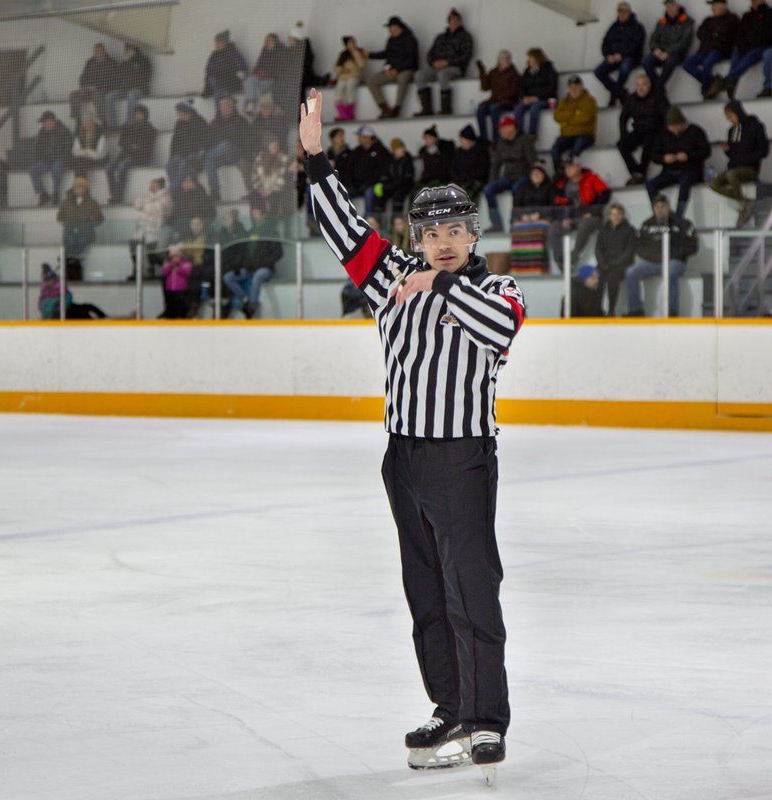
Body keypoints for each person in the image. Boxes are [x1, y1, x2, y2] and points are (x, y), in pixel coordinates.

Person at [301, 88, 521, 772]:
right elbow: (344, 231)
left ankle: (485, 720)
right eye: (431, 233)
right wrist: (315, 160)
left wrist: (440, 287)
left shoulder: (497, 290)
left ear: (473, 235)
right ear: (415, 239)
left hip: (462, 459)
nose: (443, 242)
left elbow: (497, 333)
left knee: (471, 588)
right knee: (425, 591)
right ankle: (449, 707)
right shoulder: (390, 279)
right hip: (403, 458)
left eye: (455, 230)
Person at [624, 193, 697, 316]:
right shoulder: (647, 224)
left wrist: (674, 255)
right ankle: (635, 310)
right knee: (631, 272)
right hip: (652, 262)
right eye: (657, 207)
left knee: (671, 272)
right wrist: (651, 255)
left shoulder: (682, 223)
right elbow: (639, 245)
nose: (660, 209)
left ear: (668, 207)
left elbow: (692, 246)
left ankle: (672, 311)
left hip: (673, 261)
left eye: (663, 206)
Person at [548, 155, 612, 271]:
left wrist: (592, 212)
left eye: (570, 167)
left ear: (578, 167)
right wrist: (564, 217)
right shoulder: (562, 184)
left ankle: (573, 257)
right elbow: (557, 203)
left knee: (585, 224)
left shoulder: (591, 178)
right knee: (553, 228)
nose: (567, 170)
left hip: (591, 216)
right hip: (571, 217)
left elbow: (605, 194)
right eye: (566, 168)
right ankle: (560, 261)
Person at [711, 100, 769, 226]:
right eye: (728, 118)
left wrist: (745, 158)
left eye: (731, 116)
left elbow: (764, 151)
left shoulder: (756, 127)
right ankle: (744, 201)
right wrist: (728, 150)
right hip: (733, 167)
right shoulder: (732, 131)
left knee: (731, 175)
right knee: (714, 184)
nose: (730, 120)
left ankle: (742, 206)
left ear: (738, 113)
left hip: (750, 168)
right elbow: (733, 154)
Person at [645, 105, 711, 216]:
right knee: (650, 185)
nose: (674, 130)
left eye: (676, 126)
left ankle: (679, 215)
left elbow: (706, 151)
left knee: (684, 183)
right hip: (669, 171)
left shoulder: (695, 131)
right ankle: (660, 212)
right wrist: (663, 158)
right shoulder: (663, 134)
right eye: (671, 127)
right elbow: (654, 154)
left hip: (690, 170)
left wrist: (688, 156)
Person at [224, 205, 284, 318]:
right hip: (250, 268)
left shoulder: (271, 231)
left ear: (263, 215)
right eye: (253, 213)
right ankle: (245, 300)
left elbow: (279, 253)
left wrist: (264, 263)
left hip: (266, 268)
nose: (254, 216)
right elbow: (245, 252)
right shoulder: (250, 231)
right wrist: (244, 264)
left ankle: (252, 307)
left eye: (256, 213)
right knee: (229, 277)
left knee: (258, 275)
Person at [415, 9, 474, 117]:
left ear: (460, 22)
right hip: (437, 67)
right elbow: (430, 54)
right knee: (420, 75)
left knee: (443, 74)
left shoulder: (465, 37)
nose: (453, 22)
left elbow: (466, 56)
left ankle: (445, 109)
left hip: (455, 68)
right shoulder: (440, 37)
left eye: (456, 20)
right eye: (451, 20)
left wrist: (448, 62)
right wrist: (434, 63)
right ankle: (426, 109)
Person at [483, 116, 537, 232]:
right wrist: (493, 181)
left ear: (512, 128)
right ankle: (496, 224)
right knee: (488, 189)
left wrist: (532, 180)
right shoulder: (501, 143)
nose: (500, 131)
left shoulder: (525, 141)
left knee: (517, 189)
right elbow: (496, 164)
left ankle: (514, 221)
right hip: (508, 177)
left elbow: (533, 162)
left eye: (503, 128)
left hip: (523, 175)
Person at [617, 73, 668, 185]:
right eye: (638, 85)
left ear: (649, 85)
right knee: (621, 144)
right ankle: (636, 172)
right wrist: (623, 134)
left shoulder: (658, 97)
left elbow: (666, 116)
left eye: (644, 84)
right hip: (638, 130)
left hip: (655, 130)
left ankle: (641, 172)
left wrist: (664, 133)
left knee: (648, 143)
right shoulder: (631, 99)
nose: (641, 88)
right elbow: (623, 118)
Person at [684, 0, 740, 99]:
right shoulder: (708, 20)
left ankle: (706, 90)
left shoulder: (732, 19)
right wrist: (714, 35)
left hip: (720, 50)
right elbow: (700, 33)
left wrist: (715, 35)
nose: (712, 8)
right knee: (687, 64)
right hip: (704, 51)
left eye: (715, 5)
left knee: (707, 63)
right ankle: (713, 82)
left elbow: (728, 35)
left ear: (722, 6)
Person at [366, 15, 420, 118]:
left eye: (391, 29)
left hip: (407, 70)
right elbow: (387, 55)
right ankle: (384, 108)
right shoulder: (391, 40)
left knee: (403, 78)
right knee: (371, 80)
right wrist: (386, 67)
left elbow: (412, 59)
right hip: (392, 70)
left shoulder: (410, 39)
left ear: (398, 28)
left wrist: (398, 69)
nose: (390, 31)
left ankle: (397, 108)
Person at [595, 1, 648, 105]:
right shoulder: (614, 27)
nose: (622, 15)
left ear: (629, 13)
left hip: (630, 57)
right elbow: (605, 43)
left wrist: (621, 54)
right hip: (613, 57)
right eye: (620, 12)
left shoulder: (637, 27)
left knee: (624, 68)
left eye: (624, 12)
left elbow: (636, 46)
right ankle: (620, 92)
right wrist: (608, 55)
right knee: (598, 71)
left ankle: (615, 95)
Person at [723, 0, 772, 98]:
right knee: (736, 54)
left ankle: (727, 80)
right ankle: (730, 85)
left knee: (749, 57)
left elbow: (768, 34)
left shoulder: (770, 14)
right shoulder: (747, 16)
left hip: (761, 46)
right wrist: (741, 45)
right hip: (747, 46)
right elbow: (740, 34)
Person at [594, 203, 638, 314]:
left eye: (618, 214)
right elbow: (598, 249)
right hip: (605, 263)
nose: (616, 217)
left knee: (613, 278)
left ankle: (611, 310)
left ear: (623, 215)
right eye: (613, 214)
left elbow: (629, 252)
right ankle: (597, 309)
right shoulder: (603, 230)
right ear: (610, 216)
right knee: (596, 276)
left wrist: (614, 263)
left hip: (622, 265)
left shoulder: (630, 230)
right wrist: (603, 263)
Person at [205, 96, 251, 201]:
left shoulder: (240, 121)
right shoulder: (214, 123)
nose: (224, 110)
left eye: (227, 108)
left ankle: (208, 155)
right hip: (220, 156)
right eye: (222, 108)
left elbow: (248, 140)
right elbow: (208, 141)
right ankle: (215, 193)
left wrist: (245, 155)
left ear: (232, 108)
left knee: (224, 145)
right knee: (209, 161)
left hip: (236, 153)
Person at [106, 104, 155, 204]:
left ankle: (118, 197)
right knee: (109, 168)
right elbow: (121, 142)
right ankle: (114, 194)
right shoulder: (129, 126)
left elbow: (145, 146)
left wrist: (132, 146)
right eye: (136, 114)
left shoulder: (149, 129)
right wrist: (131, 145)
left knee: (122, 167)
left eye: (140, 114)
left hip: (139, 157)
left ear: (145, 115)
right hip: (125, 154)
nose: (138, 116)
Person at [644, 0, 696, 95]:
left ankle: (658, 88)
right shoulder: (661, 22)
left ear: (677, 6)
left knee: (670, 62)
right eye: (667, 6)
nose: (670, 9)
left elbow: (685, 42)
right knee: (646, 62)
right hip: (660, 52)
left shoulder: (687, 22)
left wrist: (668, 52)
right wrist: (656, 49)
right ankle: (659, 88)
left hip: (677, 53)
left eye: (672, 6)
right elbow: (653, 38)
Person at [551, 75, 598, 173]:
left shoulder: (589, 100)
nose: (573, 90)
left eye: (576, 87)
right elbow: (557, 116)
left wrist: (567, 119)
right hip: (567, 135)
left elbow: (585, 118)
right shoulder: (564, 101)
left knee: (574, 153)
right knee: (555, 149)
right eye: (571, 87)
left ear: (581, 87)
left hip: (584, 134)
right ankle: (559, 173)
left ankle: (571, 173)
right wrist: (575, 113)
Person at [128, 177, 171, 280]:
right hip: (142, 227)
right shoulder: (148, 196)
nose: (150, 186)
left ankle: (152, 270)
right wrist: (148, 204)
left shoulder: (166, 197)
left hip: (155, 228)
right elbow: (137, 205)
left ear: (159, 185)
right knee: (133, 244)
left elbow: (160, 210)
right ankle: (136, 268)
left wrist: (147, 206)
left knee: (151, 248)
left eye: (153, 184)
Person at [30, 111, 74, 207]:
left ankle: (55, 193)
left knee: (56, 170)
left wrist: (67, 163)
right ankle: (43, 194)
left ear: (52, 121)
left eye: (45, 122)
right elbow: (37, 149)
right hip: (46, 161)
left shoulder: (64, 131)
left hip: (60, 159)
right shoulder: (42, 132)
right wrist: (39, 160)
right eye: (43, 122)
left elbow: (68, 148)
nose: (44, 124)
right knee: (33, 169)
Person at [512, 48, 559, 138]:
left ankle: (532, 134)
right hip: (530, 99)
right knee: (518, 108)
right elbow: (521, 87)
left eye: (530, 57)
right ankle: (519, 133)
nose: (528, 60)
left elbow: (552, 88)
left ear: (537, 58)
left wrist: (537, 97)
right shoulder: (527, 71)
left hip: (546, 99)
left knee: (535, 108)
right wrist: (524, 97)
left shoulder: (549, 70)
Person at [475, 50, 520, 140]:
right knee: (480, 109)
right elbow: (485, 87)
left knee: (494, 108)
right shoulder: (493, 72)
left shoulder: (513, 73)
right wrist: (482, 72)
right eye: (505, 59)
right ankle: (483, 139)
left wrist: (500, 98)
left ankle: (496, 138)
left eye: (509, 59)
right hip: (494, 100)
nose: (508, 61)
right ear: (500, 60)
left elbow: (514, 91)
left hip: (508, 101)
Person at [342, 125, 392, 204]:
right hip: (356, 185)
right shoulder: (357, 151)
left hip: (373, 185)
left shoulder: (381, 151)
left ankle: (370, 213)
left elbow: (382, 171)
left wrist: (369, 183)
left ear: (368, 137)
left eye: (360, 136)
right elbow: (349, 169)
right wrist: (350, 184)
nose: (358, 139)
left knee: (369, 193)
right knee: (343, 193)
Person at [106, 43, 152, 129]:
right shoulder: (125, 64)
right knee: (109, 96)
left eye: (128, 50)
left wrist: (131, 82)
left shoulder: (144, 61)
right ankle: (112, 126)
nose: (126, 53)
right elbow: (118, 78)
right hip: (125, 90)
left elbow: (146, 78)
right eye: (125, 51)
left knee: (131, 95)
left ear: (133, 49)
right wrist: (120, 86)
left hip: (140, 89)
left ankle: (129, 124)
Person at [165, 103, 209, 193]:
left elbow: (201, 143)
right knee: (170, 165)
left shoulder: (199, 122)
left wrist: (186, 153)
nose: (177, 115)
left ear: (185, 112)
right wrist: (171, 157)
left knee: (184, 164)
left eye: (179, 112)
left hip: (195, 155)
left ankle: (172, 190)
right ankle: (178, 191)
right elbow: (174, 142)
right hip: (182, 155)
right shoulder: (179, 123)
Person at [69, 43, 117, 125]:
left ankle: (103, 121)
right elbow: (83, 77)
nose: (98, 53)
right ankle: (78, 120)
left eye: (100, 51)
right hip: (88, 90)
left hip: (104, 90)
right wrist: (86, 87)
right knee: (74, 95)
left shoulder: (111, 63)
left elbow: (112, 80)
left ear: (104, 51)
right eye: (96, 51)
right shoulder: (90, 62)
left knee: (97, 96)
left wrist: (97, 87)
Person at [58, 175, 104, 259]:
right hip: (70, 232)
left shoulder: (92, 203)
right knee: (70, 243)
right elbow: (59, 217)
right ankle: (70, 260)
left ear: (85, 189)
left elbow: (100, 219)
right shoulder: (66, 202)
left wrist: (88, 224)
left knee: (81, 245)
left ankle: (74, 260)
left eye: (80, 187)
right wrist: (67, 223)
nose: (77, 189)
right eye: (75, 187)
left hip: (85, 232)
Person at [366, 137, 415, 215]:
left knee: (398, 195)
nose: (402, 150)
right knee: (379, 195)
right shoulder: (389, 160)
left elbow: (407, 178)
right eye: (399, 148)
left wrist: (393, 184)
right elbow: (385, 175)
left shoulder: (407, 159)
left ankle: (397, 219)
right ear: (394, 150)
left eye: (402, 147)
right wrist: (383, 184)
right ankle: (377, 218)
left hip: (403, 186)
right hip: (392, 185)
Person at [203, 30, 248, 101]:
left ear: (224, 42)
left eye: (218, 42)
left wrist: (240, 79)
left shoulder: (233, 52)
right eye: (216, 43)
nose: (216, 45)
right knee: (212, 81)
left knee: (220, 90)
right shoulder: (214, 55)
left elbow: (242, 67)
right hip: (217, 81)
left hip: (230, 80)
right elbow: (208, 69)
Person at [332, 35, 369, 121]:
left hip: (354, 75)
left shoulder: (359, 52)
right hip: (343, 77)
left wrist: (356, 53)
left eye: (353, 42)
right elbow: (336, 67)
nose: (352, 44)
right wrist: (342, 69)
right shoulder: (343, 54)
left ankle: (349, 113)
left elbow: (362, 65)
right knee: (339, 91)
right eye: (350, 42)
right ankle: (342, 113)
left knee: (350, 88)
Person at [245, 33, 281, 115]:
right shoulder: (264, 51)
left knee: (257, 89)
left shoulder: (279, 52)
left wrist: (266, 73)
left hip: (270, 79)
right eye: (268, 40)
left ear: (275, 41)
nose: (270, 42)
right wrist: (255, 73)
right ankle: (251, 103)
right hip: (259, 76)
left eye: (272, 40)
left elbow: (278, 69)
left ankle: (255, 112)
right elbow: (258, 64)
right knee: (248, 81)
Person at [450, 124, 490, 198]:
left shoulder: (481, 152)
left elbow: (482, 170)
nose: (460, 141)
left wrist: (467, 177)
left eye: (462, 139)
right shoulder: (458, 152)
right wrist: (458, 178)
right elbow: (453, 168)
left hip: (476, 181)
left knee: (467, 193)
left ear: (468, 139)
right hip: (460, 180)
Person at [415, 125, 455, 191]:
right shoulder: (425, 151)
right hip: (428, 179)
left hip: (441, 179)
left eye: (428, 138)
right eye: (425, 138)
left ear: (435, 138)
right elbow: (421, 151)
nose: (426, 140)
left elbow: (445, 167)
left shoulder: (444, 148)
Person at [161, 243, 194, 318]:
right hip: (170, 289)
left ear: (180, 255)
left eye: (176, 256)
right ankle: (171, 318)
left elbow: (187, 272)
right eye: (173, 256)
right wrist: (170, 267)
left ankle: (182, 318)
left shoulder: (184, 263)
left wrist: (178, 268)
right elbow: (164, 272)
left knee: (181, 306)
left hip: (181, 289)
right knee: (171, 306)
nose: (175, 258)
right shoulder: (168, 263)